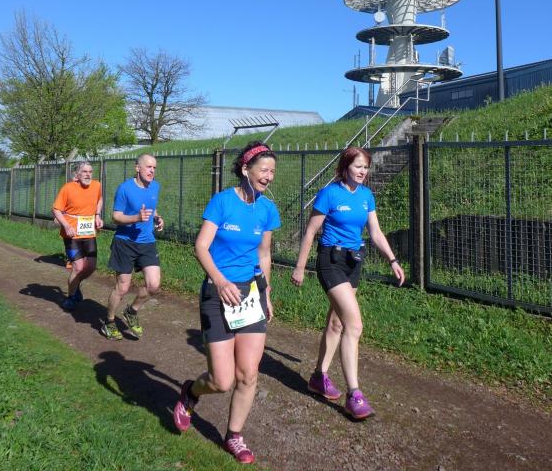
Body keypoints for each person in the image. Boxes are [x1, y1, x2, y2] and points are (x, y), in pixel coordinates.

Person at [173, 141, 280, 465]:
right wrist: (220, 281)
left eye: (273, 171)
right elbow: (201, 247)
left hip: (250, 295)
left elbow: (264, 254)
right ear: (245, 169)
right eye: (264, 170)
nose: (269, 176)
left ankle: (234, 435)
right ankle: (191, 392)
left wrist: (266, 294)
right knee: (222, 380)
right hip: (216, 292)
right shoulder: (222, 202)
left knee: (248, 374)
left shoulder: (267, 210)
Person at [291, 146, 404, 420]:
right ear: (345, 167)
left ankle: (318, 377)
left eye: (366, 167)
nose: (363, 171)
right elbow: (311, 231)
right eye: (358, 166)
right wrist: (300, 266)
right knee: (354, 325)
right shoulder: (329, 193)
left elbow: (375, 232)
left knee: (337, 323)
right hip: (330, 261)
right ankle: (354, 394)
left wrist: (392, 259)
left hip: (353, 263)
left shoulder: (366, 196)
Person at [100, 153, 164, 341]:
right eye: (148, 167)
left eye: (154, 168)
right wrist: (136, 218)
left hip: (147, 242)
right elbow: (116, 216)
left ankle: (132, 310)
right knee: (122, 287)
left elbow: (152, 207)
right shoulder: (125, 189)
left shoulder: (155, 186)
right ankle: (109, 322)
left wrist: (157, 218)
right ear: (137, 168)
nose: (152, 171)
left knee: (154, 285)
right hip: (125, 242)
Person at [52, 161, 103, 310]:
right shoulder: (68, 188)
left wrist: (97, 215)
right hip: (72, 234)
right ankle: (71, 297)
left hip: (89, 233)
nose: (88, 174)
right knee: (78, 267)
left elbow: (99, 199)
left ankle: (76, 283)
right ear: (77, 174)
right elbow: (56, 209)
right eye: (85, 172)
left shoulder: (97, 185)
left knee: (91, 267)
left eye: (90, 172)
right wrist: (66, 225)